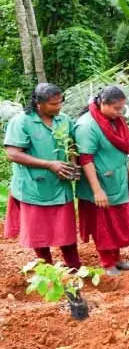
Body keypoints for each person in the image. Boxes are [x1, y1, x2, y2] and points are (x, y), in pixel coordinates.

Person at [3, 83, 81, 269]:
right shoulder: (22, 122)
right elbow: (13, 154)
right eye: (53, 104)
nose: (58, 106)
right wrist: (49, 164)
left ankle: (74, 267)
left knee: (66, 230)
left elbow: (71, 145)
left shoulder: (64, 120)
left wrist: (73, 164)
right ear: (39, 104)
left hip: (60, 186)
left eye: (60, 102)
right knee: (38, 233)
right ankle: (47, 269)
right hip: (33, 187)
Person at [74, 86, 129, 276]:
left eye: (122, 108)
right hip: (99, 182)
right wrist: (97, 190)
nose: (120, 112)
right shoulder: (87, 125)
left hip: (117, 180)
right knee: (102, 225)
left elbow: (121, 149)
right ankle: (107, 262)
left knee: (118, 221)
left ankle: (117, 258)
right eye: (116, 108)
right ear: (103, 104)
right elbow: (85, 159)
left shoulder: (116, 121)